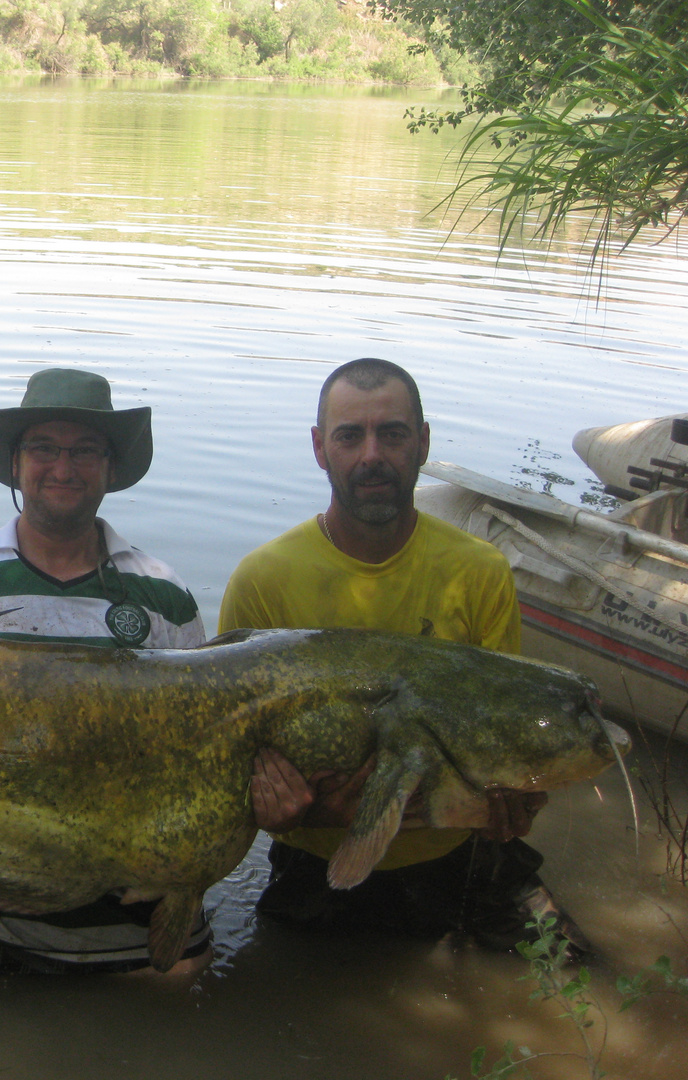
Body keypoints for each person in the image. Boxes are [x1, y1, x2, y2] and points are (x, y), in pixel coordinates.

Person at [217, 357, 577, 952]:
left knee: (576, 968)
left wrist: (517, 802)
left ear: (424, 442)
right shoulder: (263, 579)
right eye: (350, 435)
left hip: (456, 859)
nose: (371, 456)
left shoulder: (480, 571)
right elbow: (233, 766)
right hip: (315, 866)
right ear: (318, 448)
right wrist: (291, 812)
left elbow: (507, 739)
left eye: (393, 433)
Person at [0, 366, 209, 973]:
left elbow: (198, 760)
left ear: (111, 469)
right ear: (15, 463)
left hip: (137, 937)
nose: (63, 469)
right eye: (43, 448)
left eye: (85, 451)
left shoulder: (165, 596)